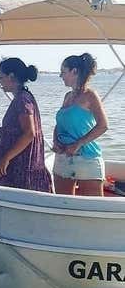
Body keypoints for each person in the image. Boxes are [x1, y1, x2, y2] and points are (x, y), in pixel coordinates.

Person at [0, 58, 52, 192]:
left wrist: (6, 158)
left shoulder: (22, 99)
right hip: (22, 167)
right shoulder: (23, 97)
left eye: (1, 77)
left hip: (22, 169)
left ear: (11, 76)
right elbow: (19, 128)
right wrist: (0, 131)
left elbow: (29, 133)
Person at [52, 53, 109, 196]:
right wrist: (55, 140)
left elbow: (103, 125)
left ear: (75, 71)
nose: (61, 76)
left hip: (87, 159)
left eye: (63, 72)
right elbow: (59, 124)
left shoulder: (90, 95)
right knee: (62, 204)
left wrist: (78, 144)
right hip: (63, 157)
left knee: (93, 208)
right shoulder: (67, 96)